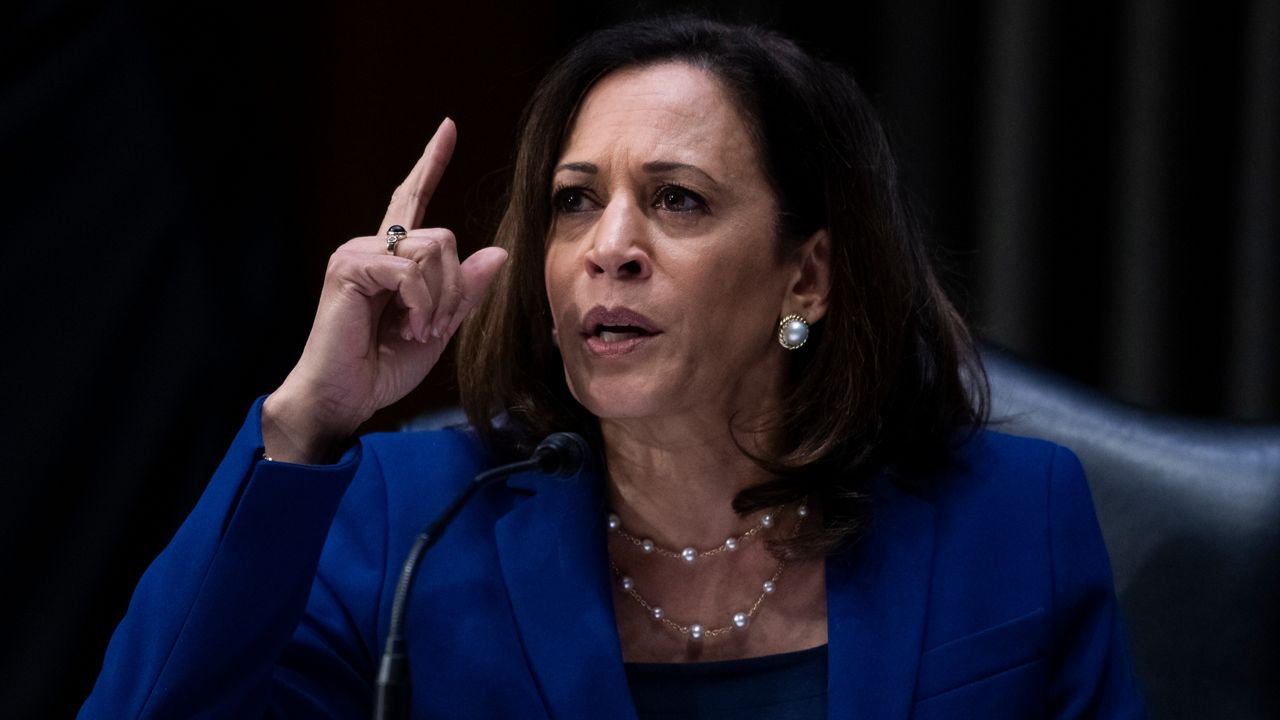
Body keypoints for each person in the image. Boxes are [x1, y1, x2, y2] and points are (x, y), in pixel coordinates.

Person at [80, 15, 1145, 719]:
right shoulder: (407, 523)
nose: (608, 246)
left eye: (677, 199)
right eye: (574, 201)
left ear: (806, 277)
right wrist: (307, 419)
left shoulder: (1011, 521)